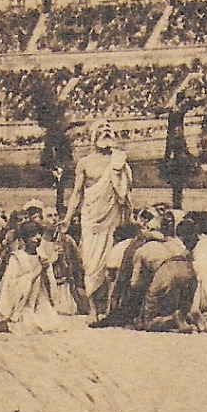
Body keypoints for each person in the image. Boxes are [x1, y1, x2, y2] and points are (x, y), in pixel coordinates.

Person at [92, 205, 200, 332]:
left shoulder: (140, 250)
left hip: (166, 271)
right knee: (176, 304)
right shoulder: (173, 243)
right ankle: (191, 317)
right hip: (189, 271)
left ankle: (172, 319)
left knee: (148, 322)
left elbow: (135, 283)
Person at [65, 120, 133, 316]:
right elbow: (77, 192)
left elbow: (127, 193)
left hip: (114, 218)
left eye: (109, 130)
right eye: (102, 131)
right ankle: (93, 310)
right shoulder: (85, 163)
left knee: (113, 261)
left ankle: (110, 308)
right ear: (93, 137)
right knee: (92, 262)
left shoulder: (120, 160)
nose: (106, 133)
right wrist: (69, 218)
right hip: (92, 219)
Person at [0, 214, 67, 334]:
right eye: (33, 235)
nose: (37, 238)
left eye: (39, 234)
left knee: (51, 323)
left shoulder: (41, 256)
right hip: (22, 301)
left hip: (38, 298)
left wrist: (47, 268)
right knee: (29, 325)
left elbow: (48, 281)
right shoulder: (17, 258)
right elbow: (9, 284)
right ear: (25, 239)